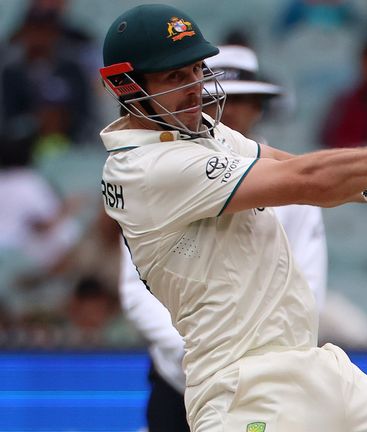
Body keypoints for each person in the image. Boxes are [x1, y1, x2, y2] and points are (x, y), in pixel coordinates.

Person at [99, 4, 367, 432]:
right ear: (124, 84)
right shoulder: (145, 168)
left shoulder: (203, 134)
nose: (196, 88)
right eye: (174, 77)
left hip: (317, 365)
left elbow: (285, 163)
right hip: (244, 386)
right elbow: (306, 179)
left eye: (197, 70)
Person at [117, 43, 328, 431]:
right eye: (215, 97)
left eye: (242, 99)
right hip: (177, 380)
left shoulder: (298, 183)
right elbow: (136, 290)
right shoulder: (153, 175)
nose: (227, 109)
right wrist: (205, 352)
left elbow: (307, 284)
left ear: (259, 108)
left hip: (268, 380)